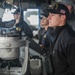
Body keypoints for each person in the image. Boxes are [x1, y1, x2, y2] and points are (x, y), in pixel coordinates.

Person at [45, 3, 75, 75]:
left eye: (52, 15)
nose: (48, 18)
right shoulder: (57, 33)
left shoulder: (69, 38)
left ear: (62, 17)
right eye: (49, 15)